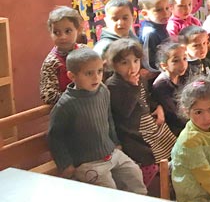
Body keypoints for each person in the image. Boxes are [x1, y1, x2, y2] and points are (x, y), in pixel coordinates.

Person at [47, 47, 147, 194]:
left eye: (99, 71)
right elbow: (54, 136)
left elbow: (108, 118)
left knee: (134, 174)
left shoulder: (103, 91)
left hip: (111, 153)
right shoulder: (66, 104)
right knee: (109, 192)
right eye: (89, 73)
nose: (96, 78)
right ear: (72, 76)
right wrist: (65, 164)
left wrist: (116, 142)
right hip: (88, 163)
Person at [105, 38, 174, 193]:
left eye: (136, 61)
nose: (132, 67)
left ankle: (166, 183)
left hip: (148, 122)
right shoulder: (113, 85)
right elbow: (125, 112)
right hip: (131, 130)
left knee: (169, 143)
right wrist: (133, 87)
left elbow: (147, 99)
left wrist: (158, 108)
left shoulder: (140, 78)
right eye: (125, 63)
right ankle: (141, 188)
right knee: (147, 157)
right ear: (114, 65)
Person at [40, 6, 85, 105]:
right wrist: (77, 99)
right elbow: (48, 95)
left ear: (78, 30)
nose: (63, 37)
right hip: (67, 112)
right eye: (56, 32)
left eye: (68, 31)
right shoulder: (51, 62)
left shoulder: (85, 51)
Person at [151, 40, 189, 136]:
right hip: (176, 129)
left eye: (184, 59)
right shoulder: (161, 85)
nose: (183, 64)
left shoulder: (182, 76)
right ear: (164, 65)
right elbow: (174, 114)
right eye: (176, 61)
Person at [94, 0, 136, 66]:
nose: (120, 23)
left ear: (133, 18)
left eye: (125, 18)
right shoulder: (104, 47)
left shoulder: (133, 37)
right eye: (115, 19)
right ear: (106, 21)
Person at [138, 0, 171, 73]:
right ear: (145, 14)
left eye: (167, 8)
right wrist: (159, 72)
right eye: (159, 10)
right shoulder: (150, 33)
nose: (165, 13)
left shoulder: (160, 25)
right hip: (157, 74)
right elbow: (148, 61)